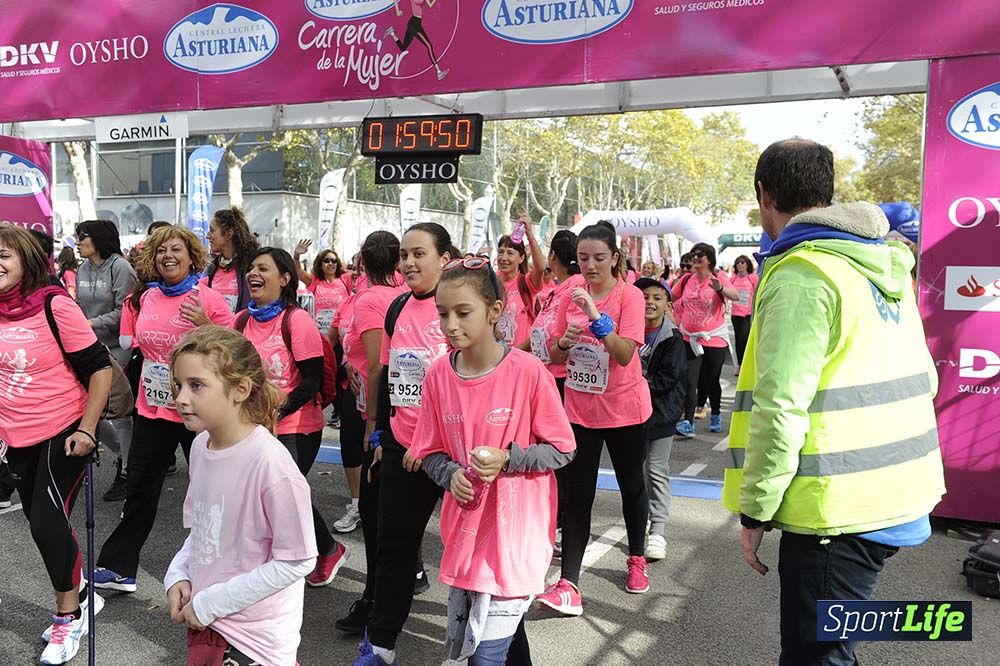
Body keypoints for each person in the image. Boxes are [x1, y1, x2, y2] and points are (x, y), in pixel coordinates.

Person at [723, 139, 945, 666]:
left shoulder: (803, 274)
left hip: (837, 512)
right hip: (895, 495)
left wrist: (755, 511)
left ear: (764, 194)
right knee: (833, 646)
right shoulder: (882, 267)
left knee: (816, 656)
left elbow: (780, 410)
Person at [404, 257, 576, 665]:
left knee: (484, 655)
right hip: (465, 537)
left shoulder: (529, 372)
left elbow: (563, 448)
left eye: (463, 313)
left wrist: (508, 459)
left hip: (515, 538)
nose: (450, 325)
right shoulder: (437, 377)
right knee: (496, 644)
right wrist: (450, 476)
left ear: (495, 312)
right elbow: (428, 451)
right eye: (443, 313)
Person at [92, 225, 234, 594]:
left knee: (214, 491)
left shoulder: (209, 298)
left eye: (176, 250)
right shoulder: (145, 299)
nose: (168, 256)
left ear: (191, 257)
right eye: (161, 251)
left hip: (199, 411)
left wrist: (206, 323)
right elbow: (133, 344)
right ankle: (119, 566)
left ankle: (221, 571)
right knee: (140, 485)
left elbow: (236, 348)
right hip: (154, 407)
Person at [165, 326, 318, 666]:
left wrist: (211, 602)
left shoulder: (272, 465)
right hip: (208, 623)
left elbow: (298, 559)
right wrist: (178, 573)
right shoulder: (199, 447)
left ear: (240, 390)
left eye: (196, 385)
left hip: (255, 643)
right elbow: (202, 530)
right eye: (178, 384)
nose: (181, 398)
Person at [0, 224, 113, 665]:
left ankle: (69, 619)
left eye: (3, 255)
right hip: (16, 435)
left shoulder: (54, 304)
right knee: (44, 523)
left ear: (27, 259)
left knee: (46, 525)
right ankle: (85, 593)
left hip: (63, 430)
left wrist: (87, 430)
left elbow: (100, 369)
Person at [537, 221, 653, 615]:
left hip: (624, 409)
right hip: (580, 410)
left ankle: (637, 557)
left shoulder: (630, 297)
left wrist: (596, 317)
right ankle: (568, 582)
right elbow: (553, 354)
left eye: (598, 258)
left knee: (631, 486)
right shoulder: (569, 293)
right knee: (578, 495)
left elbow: (624, 354)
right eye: (583, 258)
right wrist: (564, 343)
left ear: (615, 258)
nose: (589, 266)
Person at [347, 223, 453, 655]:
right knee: (393, 546)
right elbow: (388, 377)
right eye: (404, 255)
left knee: (471, 548)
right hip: (404, 447)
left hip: (457, 449)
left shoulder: (462, 306)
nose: (408, 262)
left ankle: (487, 641)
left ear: (445, 259)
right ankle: (381, 641)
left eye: (419, 254)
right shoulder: (396, 309)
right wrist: (379, 436)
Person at [236, 247, 350, 587]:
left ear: (286, 279)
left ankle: (326, 549)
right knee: (273, 494)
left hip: (296, 425)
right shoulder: (241, 320)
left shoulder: (296, 320)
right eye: (252, 267)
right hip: (253, 425)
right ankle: (307, 551)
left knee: (280, 492)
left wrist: (276, 410)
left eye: (264, 269)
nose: (253, 274)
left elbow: (312, 380)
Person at [334, 231, 406, 637]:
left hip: (383, 416)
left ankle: (377, 603)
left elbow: (379, 364)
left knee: (378, 515)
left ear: (362, 258)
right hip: (379, 408)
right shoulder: (378, 296)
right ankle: (385, 595)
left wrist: (372, 426)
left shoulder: (374, 300)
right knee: (387, 514)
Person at [75, 219, 139, 502]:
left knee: (121, 413)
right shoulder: (82, 269)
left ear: (98, 238)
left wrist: (89, 323)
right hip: (90, 346)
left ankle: (127, 470)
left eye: (82, 237)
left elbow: (125, 312)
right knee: (90, 410)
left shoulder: (120, 267)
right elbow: (78, 306)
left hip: (118, 347)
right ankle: (125, 456)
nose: (77, 242)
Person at [528, 229, 583, 543]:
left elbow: (571, 335)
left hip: (562, 380)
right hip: (546, 376)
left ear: (553, 258)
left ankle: (562, 519)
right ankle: (557, 516)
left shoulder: (573, 288)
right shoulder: (557, 289)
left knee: (559, 453)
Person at [633, 278, 687, 562]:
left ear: (667, 304)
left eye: (657, 297)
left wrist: (634, 384)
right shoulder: (627, 331)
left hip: (661, 415)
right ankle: (639, 521)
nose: (650, 303)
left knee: (655, 470)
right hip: (630, 415)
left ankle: (658, 530)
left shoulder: (672, 338)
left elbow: (668, 379)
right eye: (644, 297)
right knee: (634, 472)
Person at [672, 242, 740, 437]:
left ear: (708, 259)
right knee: (689, 380)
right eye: (693, 254)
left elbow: (734, 296)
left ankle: (716, 415)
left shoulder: (719, 277)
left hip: (714, 338)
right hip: (690, 338)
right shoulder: (686, 280)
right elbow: (670, 295)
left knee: (711, 380)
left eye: (699, 255)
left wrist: (720, 289)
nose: (695, 258)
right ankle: (688, 422)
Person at [494, 215, 544, 350]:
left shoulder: (526, 282)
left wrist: (530, 235)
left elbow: (540, 268)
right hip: (496, 357)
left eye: (510, 253)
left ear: (521, 258)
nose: (503, 258)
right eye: (500, 252)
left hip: (522, 356)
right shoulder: (490, 282)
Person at [203, 207, 259, 313]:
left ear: (228, 234)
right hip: (216, 329)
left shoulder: (252, 266)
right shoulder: (213, 267)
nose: (208, 236)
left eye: (212, 231)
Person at [384, 0, 450, 80]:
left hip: (416, 23)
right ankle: (438, 72)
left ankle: (392, 33)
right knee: (429, 46)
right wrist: (397, 10)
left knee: (403, 48)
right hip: (414, 24)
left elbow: (430, 4)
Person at [730, 254, 758, 375]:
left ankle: (748, 364)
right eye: (738, 262)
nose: (740, 264)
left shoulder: (752, 277)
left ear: (747, 264)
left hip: (748, 313)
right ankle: (740, 365)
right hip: (735, 314)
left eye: (742, 262)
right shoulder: (733, 278)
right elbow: (727, 290)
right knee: (738, 340)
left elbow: (758, 292)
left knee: (744, 338)